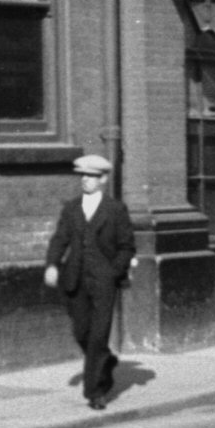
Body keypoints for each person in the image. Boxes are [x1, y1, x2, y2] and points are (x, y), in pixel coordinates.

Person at [43, 154, 136, 409]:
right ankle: (105, 361)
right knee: (81, 331)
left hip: (104, 283)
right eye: (83, 175)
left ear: (103, 179)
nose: (85, 180)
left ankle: (94, 391)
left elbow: (127, 247)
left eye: (92, 176)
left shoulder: (115, 210)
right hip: (75, 279)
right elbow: (59, 239)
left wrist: (113, 271)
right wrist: (52, 264)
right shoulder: (71, 208)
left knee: (97, 336)